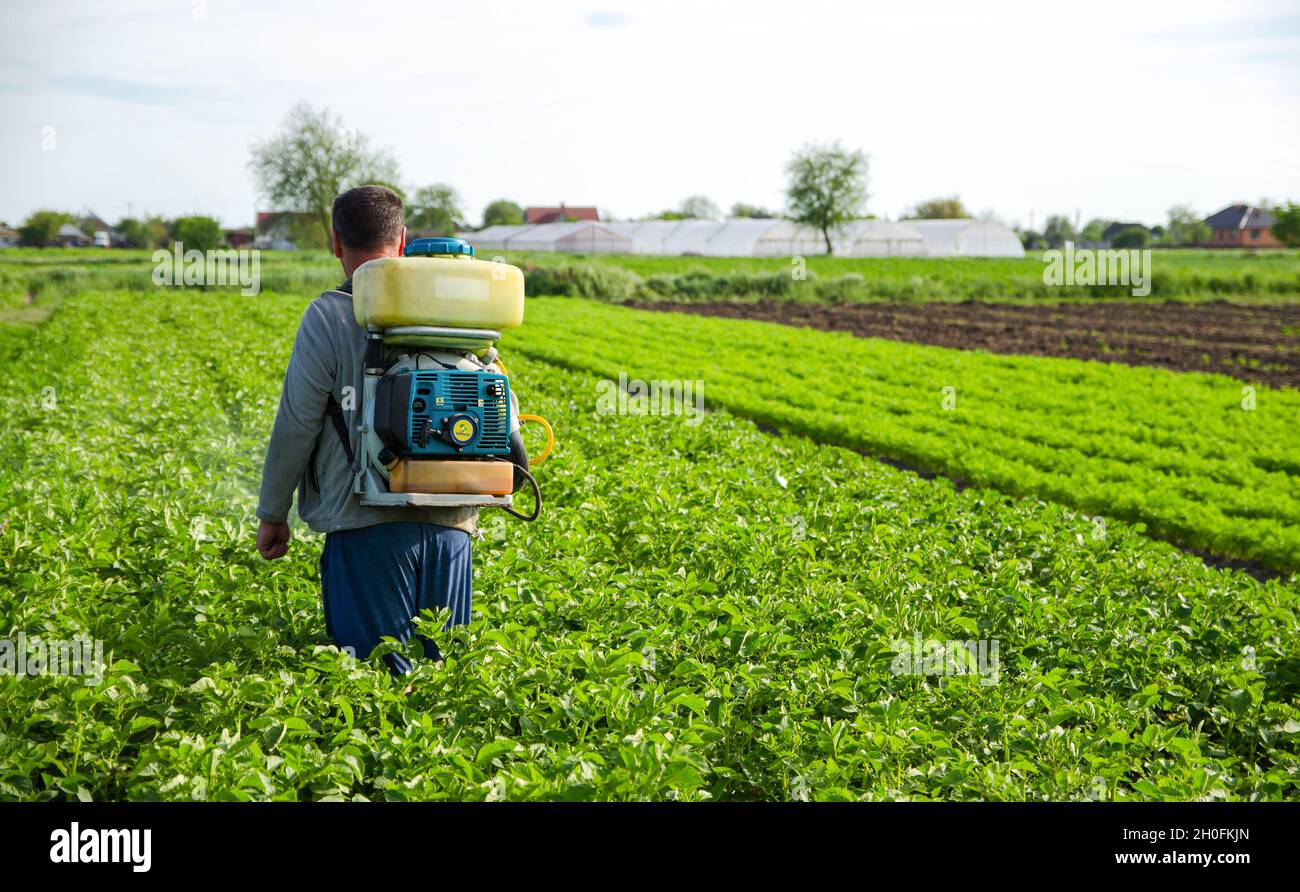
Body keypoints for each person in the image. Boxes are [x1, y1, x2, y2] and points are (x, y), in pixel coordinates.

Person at [255, 185, 476, 675]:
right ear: (402, 239)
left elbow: (297, 422)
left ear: (335, 242)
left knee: (376, 689)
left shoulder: (330, 315)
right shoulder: (458, 308)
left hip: (366, 525)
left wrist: (274, 512)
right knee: (449, 691)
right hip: (452, 525)